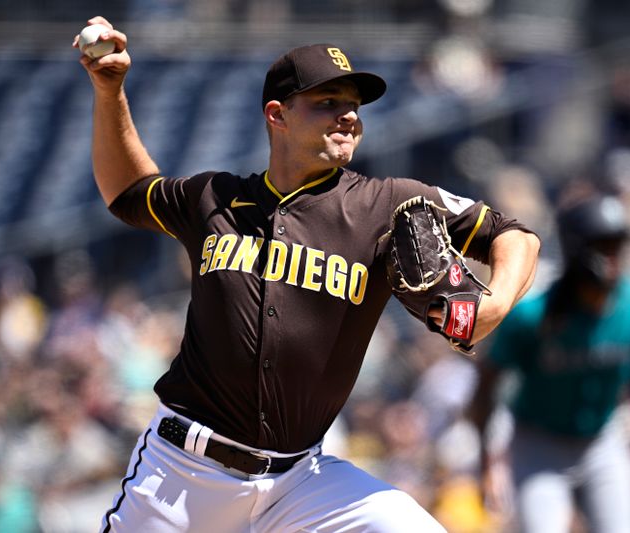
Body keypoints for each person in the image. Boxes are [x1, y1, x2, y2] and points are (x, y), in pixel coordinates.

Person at [74, 16, 540, 532]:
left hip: (302, 482)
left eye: (353, 107)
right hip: (183, 476)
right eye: (327, 103)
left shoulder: (386, 204)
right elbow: (128, 192)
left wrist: (493, 304)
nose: (348, 117)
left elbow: (515, 236)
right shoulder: (214, 198)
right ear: (277, 114)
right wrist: (109, 88)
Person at [469, 192, 630, 533]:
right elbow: (486, 384)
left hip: (602, 439)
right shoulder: (532, 316)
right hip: (538, 445)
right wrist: (487, 457)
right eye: (604, 246)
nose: (614, 257)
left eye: (617, 246)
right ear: (577, 249)